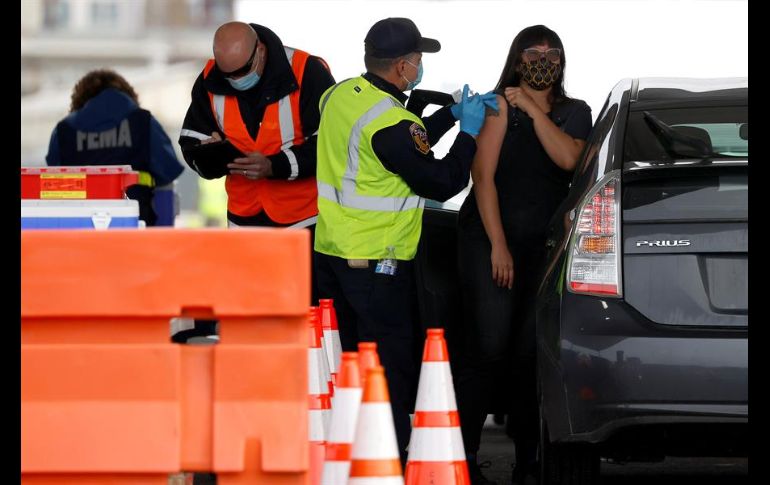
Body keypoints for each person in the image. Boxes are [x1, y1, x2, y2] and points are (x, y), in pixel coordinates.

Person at [313, 17, 497, 465]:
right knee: (387, 372)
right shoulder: (392, 121)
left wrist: (447, 117)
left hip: (333, 254)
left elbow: (397, 148)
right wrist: (469, 133)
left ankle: (346, 457)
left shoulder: (338, 95)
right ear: (401, 67)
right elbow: (441, 181)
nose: (420, 68)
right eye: (417, 61)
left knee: (348, 366)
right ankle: (385, 461)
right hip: (378, 264)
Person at [454, 25, 592, 485]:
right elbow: (484, 179)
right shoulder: (495, 106)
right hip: (490, 240)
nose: (544, 59)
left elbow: (570, 159)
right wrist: (498, 245)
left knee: (532, 353)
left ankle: (529, 462)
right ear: (517, 59)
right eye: (534, 52)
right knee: (489, 347)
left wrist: (533, 108)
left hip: (543, 246)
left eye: (552, 53)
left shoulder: (575, 111)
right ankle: (463, 454)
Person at [178, 20, 335, 306]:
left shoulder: (307, 71)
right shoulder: (211, 77)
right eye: (229, 75)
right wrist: (210, 155)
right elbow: (190, 140)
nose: (235, 80)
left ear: (260, 51)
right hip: (244, 220)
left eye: (242, 71)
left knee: (306, 311)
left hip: (303, 221)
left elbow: (330, 145)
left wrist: (274, 166)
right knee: (251, 311)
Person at [46, 69, 185, 226]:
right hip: (137, 231)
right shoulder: (143, 122)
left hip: (77, 234)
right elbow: (166, 180)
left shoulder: (64, 131)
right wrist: (163, 235)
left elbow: (51, 190)